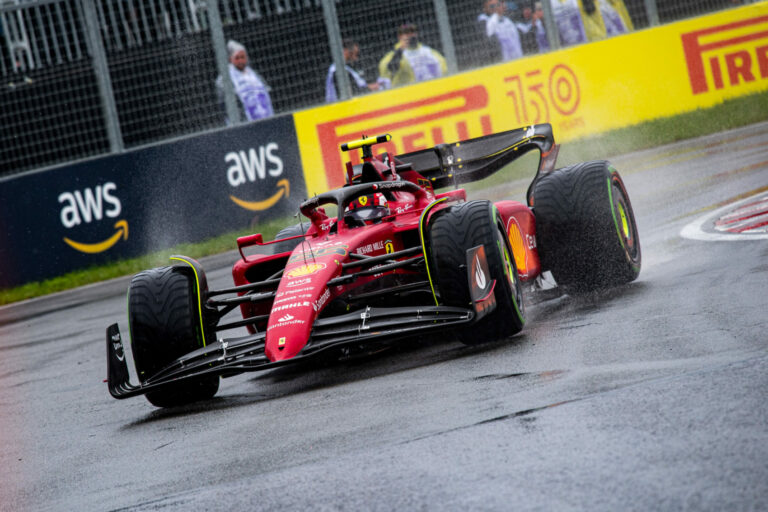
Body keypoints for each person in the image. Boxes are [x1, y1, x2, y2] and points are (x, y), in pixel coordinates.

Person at [216, 40, 273, 123]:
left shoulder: (254, 74)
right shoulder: (224, 79)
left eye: (243, 57)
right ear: (230, 59)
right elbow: (224, 103)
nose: (240, 61)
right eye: (237, 58)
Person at [378, 23, 447, 87]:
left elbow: (444, 68)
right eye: (406, 33)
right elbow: (389, 70)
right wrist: (400, 50)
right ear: (399, 36)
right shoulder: (393, 55)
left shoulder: (428, 52)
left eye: (412, 32)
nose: (410, 35)